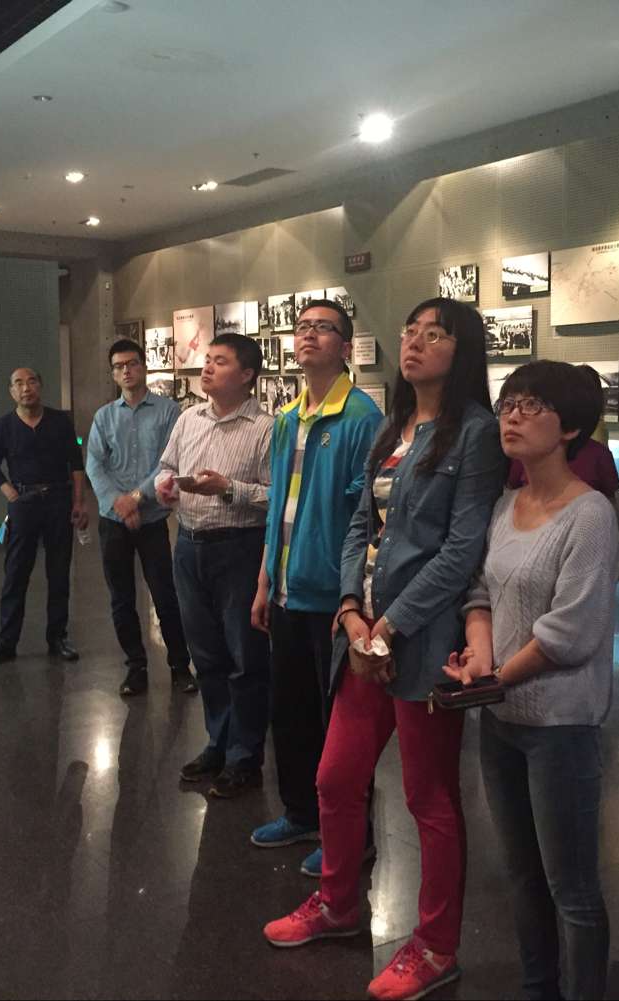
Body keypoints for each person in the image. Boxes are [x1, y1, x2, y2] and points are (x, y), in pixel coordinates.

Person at [262, 298, 504, 1001]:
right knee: (336, 777)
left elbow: (461, 549)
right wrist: (348, 611)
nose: (415, 343)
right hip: (363, 635)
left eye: (435, 335)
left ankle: (435, 945)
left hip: (422, 642)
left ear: (462, 351)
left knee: (430, 798)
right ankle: (339, 903)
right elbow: (358, 525)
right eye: (410, 331)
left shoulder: (476, 433)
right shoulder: (393, 426)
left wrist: (389, 626)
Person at [445, 361, 619, 1000]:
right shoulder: (504, 504)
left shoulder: (590, 515)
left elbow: (570, 631)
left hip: (560, 724)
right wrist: (479, 657)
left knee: (571, 887)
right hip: (501, 720)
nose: (512, 416)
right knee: (520, 875)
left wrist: (492, 677)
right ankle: (537, 988)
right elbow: (480, 592)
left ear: (570, 427)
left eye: (532, 405)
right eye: (508, 403)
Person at [249, 300, 383, 876]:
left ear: (345, 346)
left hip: (331, 595)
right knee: (292, 713)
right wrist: (264, 581)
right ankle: (301, 813)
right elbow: (278, 509)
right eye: (302, 327)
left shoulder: (361, 418)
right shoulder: (286, 418)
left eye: (323, 329)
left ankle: (353, 835)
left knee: (340, 728)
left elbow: (364, 515)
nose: (308, 336)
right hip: (286, 590)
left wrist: (351, 595)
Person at [157, 334, 274, 798]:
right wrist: (165, 485)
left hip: (239, 549)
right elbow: (166, 466)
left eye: (219, 362)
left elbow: (276, 496)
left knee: (245, 658)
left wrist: (227, 488)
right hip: (189, 546)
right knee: (206, 656)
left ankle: (244, 755)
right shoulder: (189, 418)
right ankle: (218, 742)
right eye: (207, 360)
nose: (206, 368)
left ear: (246, 375)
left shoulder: (265, 428)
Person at [86, 338, 194, 696]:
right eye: (119, 366)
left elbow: (169, 462)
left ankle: (180, 666)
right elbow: (95, 465)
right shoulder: (104, 416)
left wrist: (134, 499)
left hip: (151, 520)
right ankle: (135, 667)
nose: (126, 371)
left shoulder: (168, 412)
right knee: (121, 598)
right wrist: (117, 502)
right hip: (112, 522)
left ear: (144, 366)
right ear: (113, 373)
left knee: (165, 594)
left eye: (132, 363)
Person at [0, 368, 88, 665]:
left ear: (40, 386)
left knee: (59, 572)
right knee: (16, 573)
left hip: (58, 500)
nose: (26, 388)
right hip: (23, 504)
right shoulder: (3, 426)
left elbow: (76, 464)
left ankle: (57, 637)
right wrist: (9, 492)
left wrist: (79, 502)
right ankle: (6, 642)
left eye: (31, 382)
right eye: (19, 383)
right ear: (11, 391)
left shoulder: (60, 422)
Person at [507, 366, 619, 501]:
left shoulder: (598, 453)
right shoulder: (526, 452)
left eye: (532, 404)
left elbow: (608, 499)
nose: (513, 417)